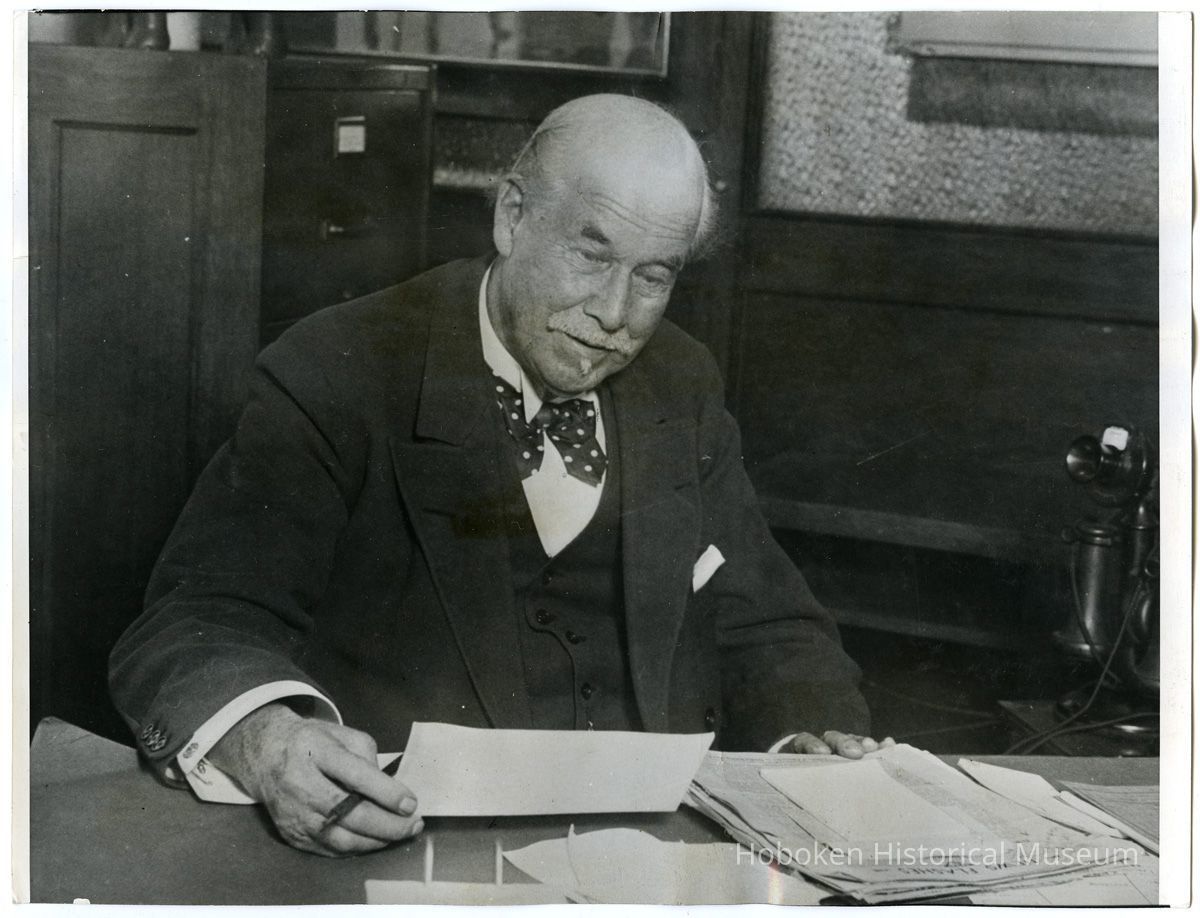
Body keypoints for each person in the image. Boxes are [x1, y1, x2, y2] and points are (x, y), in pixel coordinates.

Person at [110, 94, 888, 858]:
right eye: (591, 255)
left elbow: (770, 620)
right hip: (409, 848)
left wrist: (807, 734)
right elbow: (196, 620)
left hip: (651, 852)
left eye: (654, 276)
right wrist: (270, 739)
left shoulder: (680, 381)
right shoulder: (336, 369)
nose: (616, 314)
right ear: (512, 217)